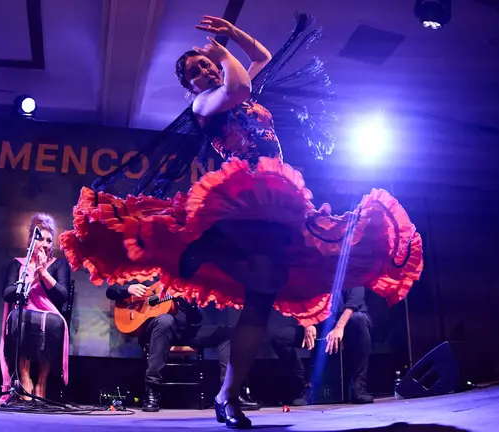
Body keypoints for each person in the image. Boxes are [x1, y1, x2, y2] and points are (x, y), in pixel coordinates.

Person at [61, 13, 423, 428]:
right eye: (195, 71)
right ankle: (211, 246)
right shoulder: (205, 103)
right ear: (189, 87)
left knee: (262, 299)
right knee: (261, 283)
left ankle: (227, 397)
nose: (204, 71)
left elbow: (262, 58)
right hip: (246, 194)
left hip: (279, 196)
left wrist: (232, 35)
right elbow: (242, 84)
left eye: (204, 64)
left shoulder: (235, 90)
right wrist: (221, 53)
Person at [106, 275, 260, 412]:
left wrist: (192, 303)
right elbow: (111, 291)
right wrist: (129, 289)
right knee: (166, 320)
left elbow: (196, 319)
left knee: (227, 333)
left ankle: (231, 392)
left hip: (185, 332)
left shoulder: (184, 281)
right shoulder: (145, 274)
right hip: (157, 334)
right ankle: (152, 390)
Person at [0, 213, 70, 401]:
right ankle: (24, 378)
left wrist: (43, 273)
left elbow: (62, 296)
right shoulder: (17, 264)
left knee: (53, 323)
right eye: (41, 239)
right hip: (24, 310)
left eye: (49, 240)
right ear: (31, 240)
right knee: (19, 318)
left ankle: (41, 382)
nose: (46, 244)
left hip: (50, 313)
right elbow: (7, 293)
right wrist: (29, 279)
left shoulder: (59, 265)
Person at [270, 286, 373, 406]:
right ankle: (303, 387)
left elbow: (354, 301)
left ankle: (358, 385)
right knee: (279, 339)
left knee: (359, 319)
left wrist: (339, 327)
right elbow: (303, 301)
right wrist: (308, 323)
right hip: (320, 324)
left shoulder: (350, 270)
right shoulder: (314, 274)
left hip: (346, 324)